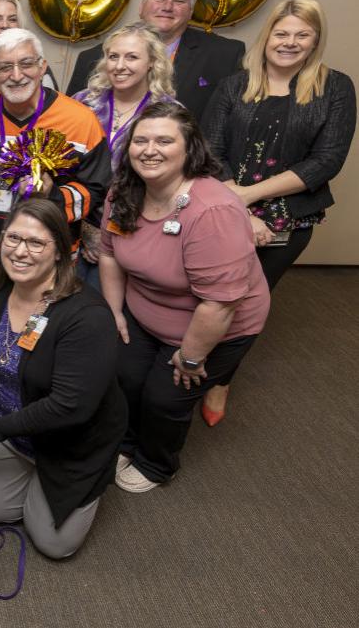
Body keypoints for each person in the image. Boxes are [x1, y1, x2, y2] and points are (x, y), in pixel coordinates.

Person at [98, 102, 270, 493]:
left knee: (164, 397)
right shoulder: (124, 190)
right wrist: (114, 311)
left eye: (163, 140)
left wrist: (192, 356)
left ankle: (158, 464)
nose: (149, 149)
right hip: (146, 311)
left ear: (189, 148)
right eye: (140, 140)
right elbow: (109, 252)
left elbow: (220, 303)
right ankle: (125, 443)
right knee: (124, 377)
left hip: (214, 326)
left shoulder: (213, 210)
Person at [200, 0, 356, 425]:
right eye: (282, 32)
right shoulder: (235, 85)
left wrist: (248, 197)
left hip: (290, 219)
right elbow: (210, 148)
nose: (289, 42)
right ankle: (188, 361)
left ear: (315, 41)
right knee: (210, 296)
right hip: (221, 209)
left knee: (248, 302)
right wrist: (236, 203)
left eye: (301, 35)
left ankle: (220, 379)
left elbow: (327, 161)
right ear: (267, 35)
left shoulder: (335, 88)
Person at [0, 199, 126, 559]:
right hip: (14, 432)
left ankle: (90, 479)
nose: (20, 252)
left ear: (60, 251)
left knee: (53, 545)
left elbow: (69, 405)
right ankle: (31, 481)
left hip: (70, 441)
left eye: (36, 243)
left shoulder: (86, 316)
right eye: (13, 239)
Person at [0, 28, 111, 271]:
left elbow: (96, 188)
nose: (17, 75)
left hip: (50, 262)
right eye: (5, 67)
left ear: (42, 67)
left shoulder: (80, 120)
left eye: (26, 63)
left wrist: (52, 195)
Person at [72, 21, 179, 286]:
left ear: (152, 62)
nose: (120, 66)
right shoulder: (82, 103)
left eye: (132, 57)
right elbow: (61, 168)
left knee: (105, 311)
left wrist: (110, 236)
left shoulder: (169, 113)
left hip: (132, 233)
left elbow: (171, 183)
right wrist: (86, 231)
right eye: (113, 56)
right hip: (75, 226)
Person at [66, 0, 245, 121]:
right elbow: (69, 123)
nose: (167, 7)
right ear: (142, 7)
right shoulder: (93, 58)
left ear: (190, 12)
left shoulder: (225, 55)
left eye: (179, 1)